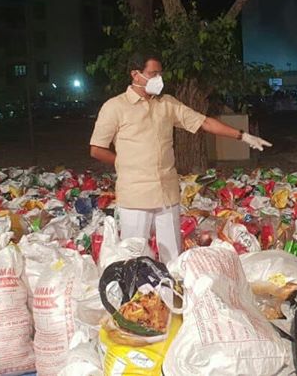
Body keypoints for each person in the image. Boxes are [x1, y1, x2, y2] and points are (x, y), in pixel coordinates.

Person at [89, 52, 271, 262]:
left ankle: (171, 283)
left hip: (167, 192)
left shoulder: (167, 104)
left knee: (173, 256)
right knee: (134, 256)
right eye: (153, 74)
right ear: (135, 74)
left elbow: (204, 122)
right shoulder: (115, 107)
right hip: (136, 193)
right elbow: (97, 148)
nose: (159, 79)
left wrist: (243, 136)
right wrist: (123, 163)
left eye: (160, 73)